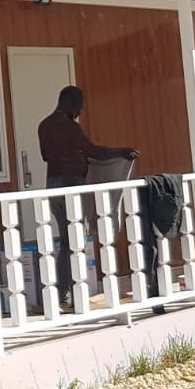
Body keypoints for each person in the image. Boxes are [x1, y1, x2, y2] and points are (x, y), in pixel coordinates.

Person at [37, 85, 136, 307]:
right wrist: (121, 152)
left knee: (66, 239)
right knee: (76, 239)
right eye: (79, 106)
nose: (79, 111)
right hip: (72, 185)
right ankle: (75, 292)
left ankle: (62, 294)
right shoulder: (69, 126)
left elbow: (46, 156)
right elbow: (93, 151)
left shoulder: (44, 125)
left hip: (52, 185)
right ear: (70, 103)